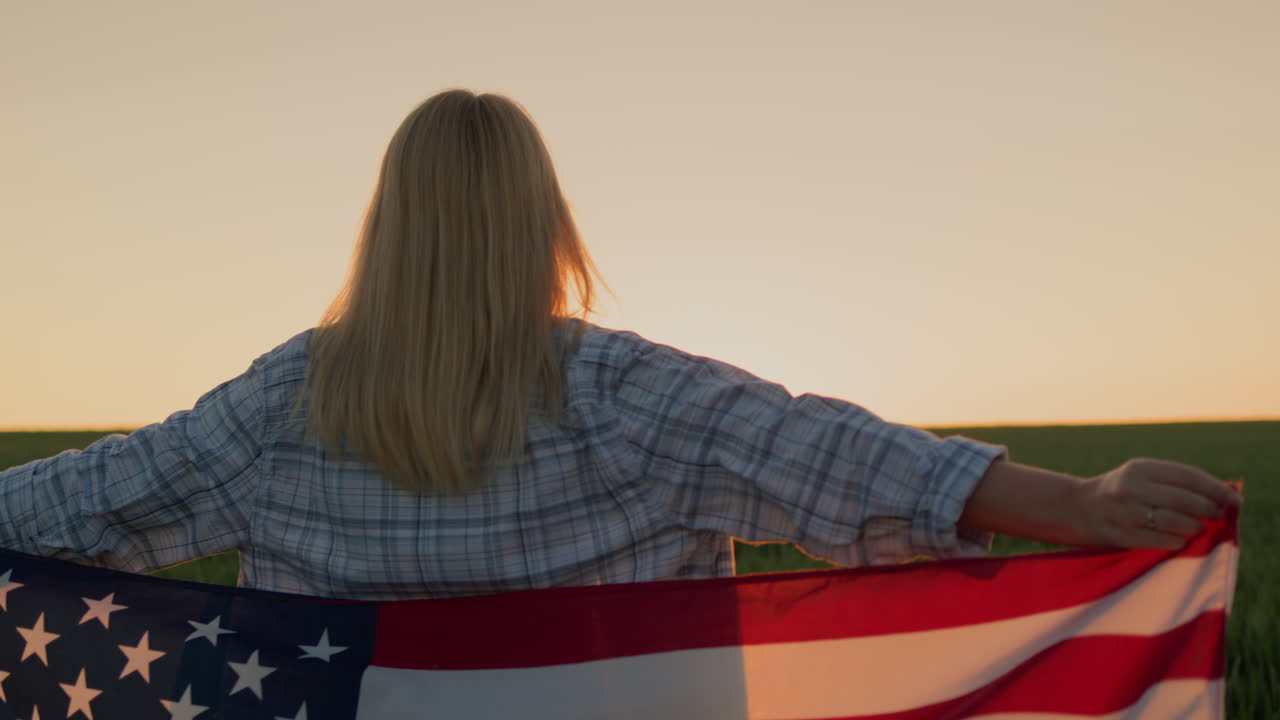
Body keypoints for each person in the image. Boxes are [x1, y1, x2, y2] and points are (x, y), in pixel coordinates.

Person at [0, 89, 1240, 601]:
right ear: (544, 223)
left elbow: (73, 505)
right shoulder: (618, 392)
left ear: (386, 227)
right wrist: (1081, 499)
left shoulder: (279, 407)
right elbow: (844, 458)